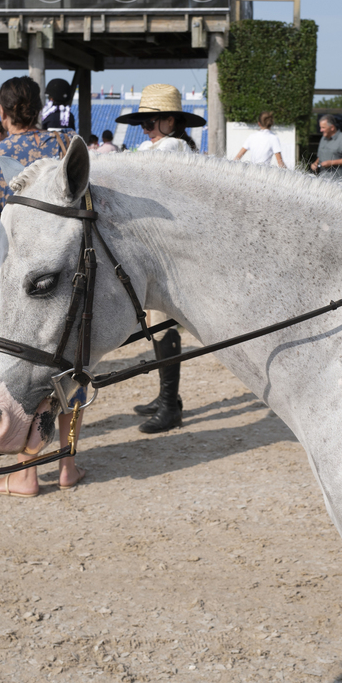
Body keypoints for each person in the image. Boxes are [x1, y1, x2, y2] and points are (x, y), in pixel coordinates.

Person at [0, 76, 84, 495]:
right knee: (69, 369)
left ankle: (26, 473)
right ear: (39, 108)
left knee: (25, 371)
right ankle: (67, 465)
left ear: (1, 112)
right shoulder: (66, 143)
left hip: (18, 280)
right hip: (68, 274)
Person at [115, 84, 206, 434]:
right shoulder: (170, 146)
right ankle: (169, 398)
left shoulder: (170, 148)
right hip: (164, 251)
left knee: (162, 324)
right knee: (157, 325)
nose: (145, 130)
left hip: (167, 255)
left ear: (170, 121)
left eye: (150, 122)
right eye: (143, 123)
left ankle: (170, 405)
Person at [311, 113, 342, 184]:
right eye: (320, 127)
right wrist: (315, 163)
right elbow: (320, 156)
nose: (320, 130)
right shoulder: (323, 139)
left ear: (332, 127)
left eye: (323, 127)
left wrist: (331, 163)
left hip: (340, 183)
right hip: (323, 181)